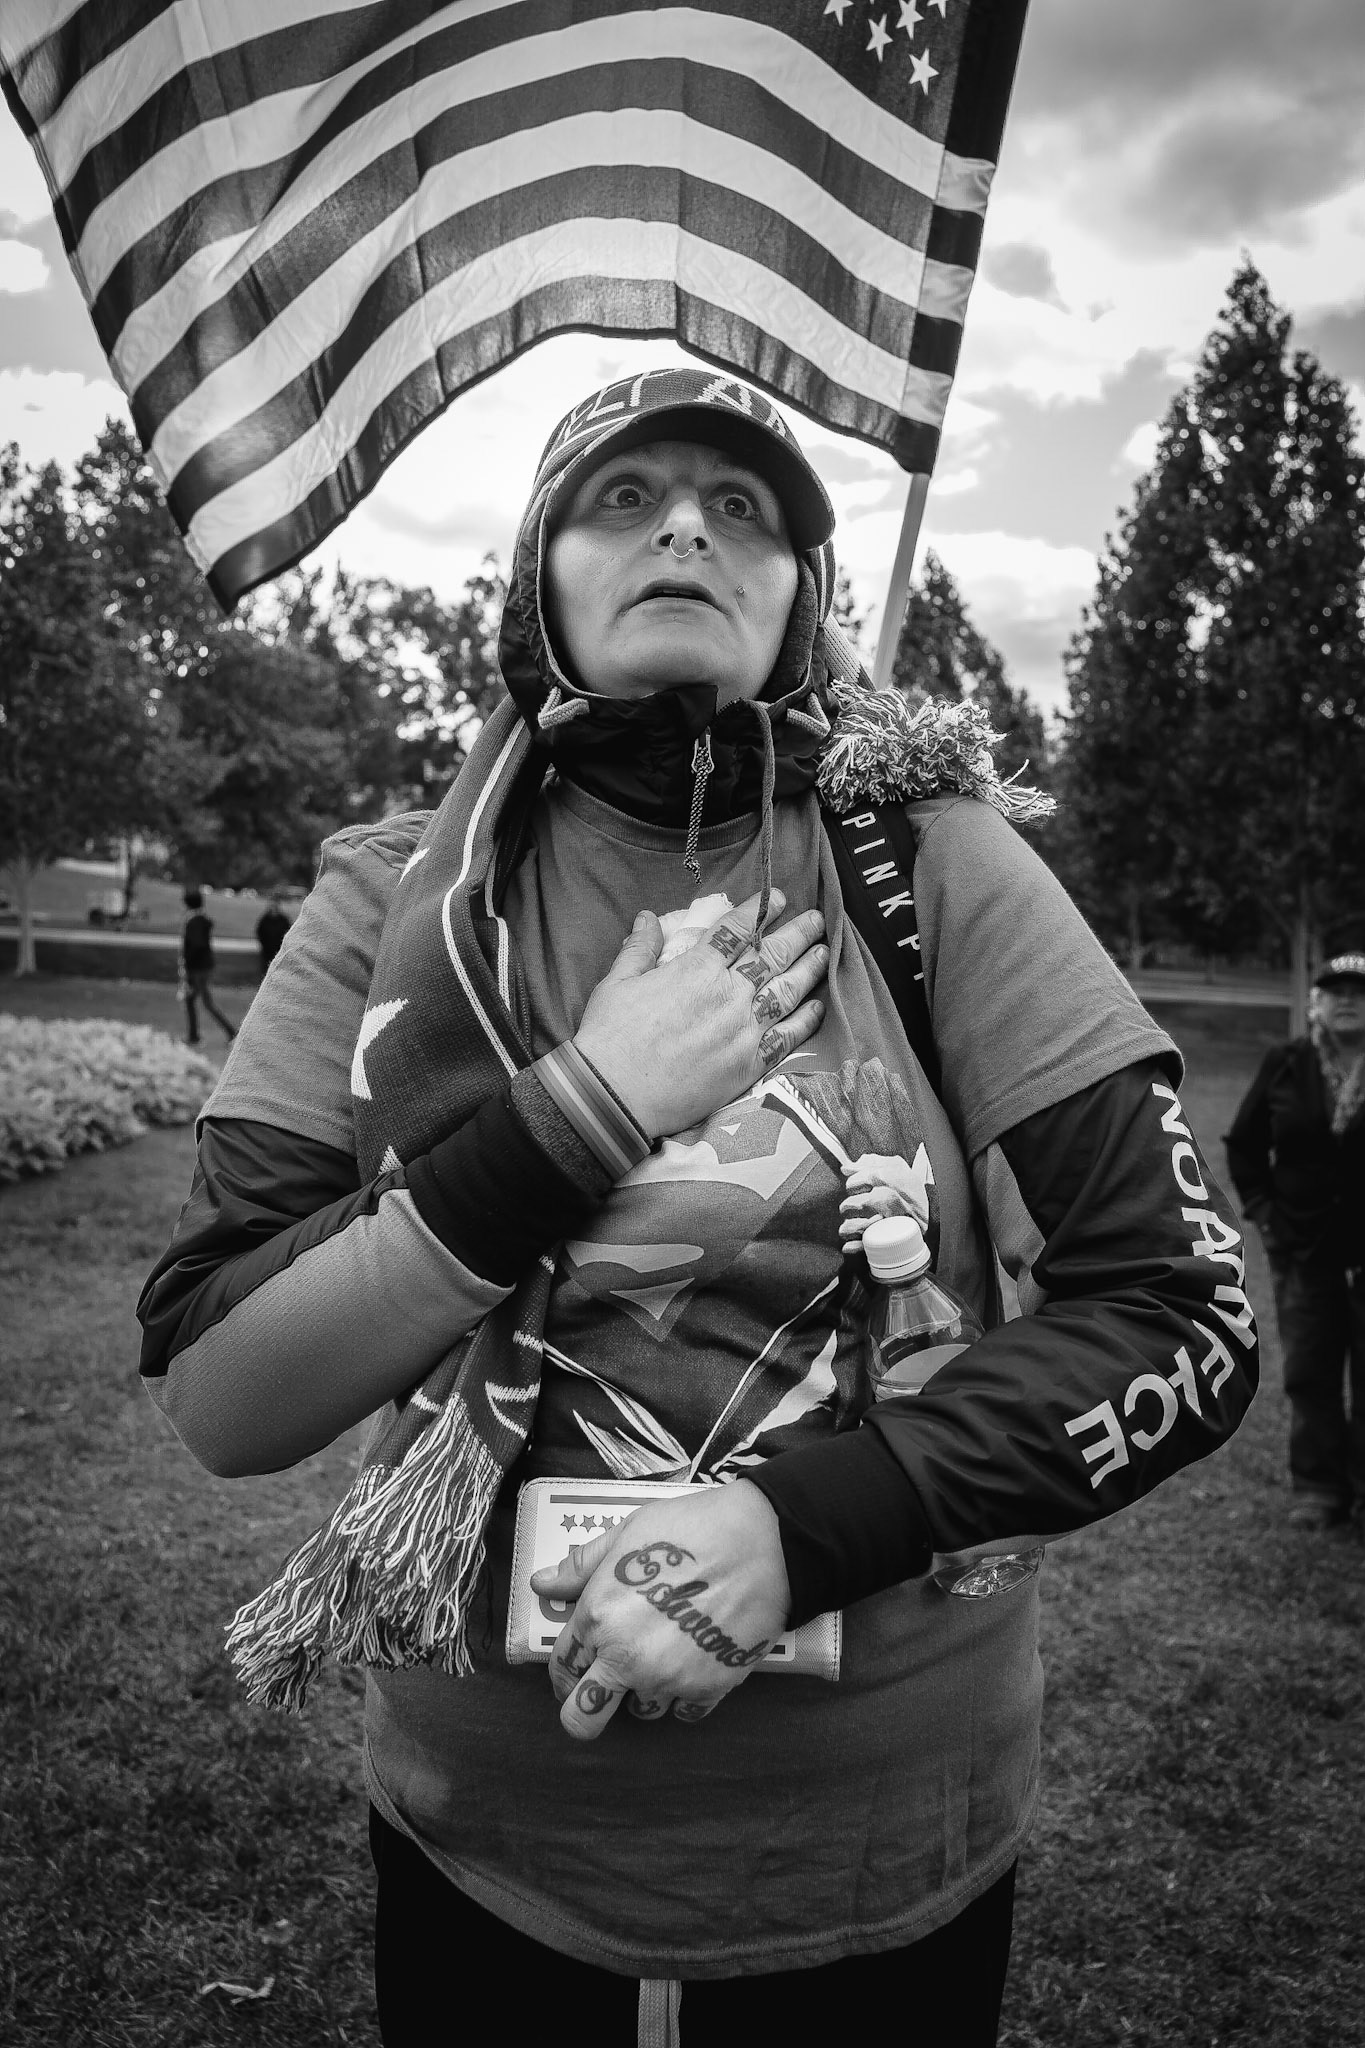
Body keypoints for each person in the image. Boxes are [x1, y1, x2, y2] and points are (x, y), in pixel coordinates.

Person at [138, 369, 1258, 2047]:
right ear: (538, 582)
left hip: (885, 1832)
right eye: (624, 494)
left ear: (803, 593)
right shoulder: (390, 897)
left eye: (746, 509)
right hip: (483, 1832)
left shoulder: (935, 860)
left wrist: (797, 1528)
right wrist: (586, 1106)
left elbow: (1183, 1314)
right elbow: (227, 1393)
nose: (686, 526)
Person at [1225, 954, 1365, 1535]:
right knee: (1310, 1371)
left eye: (1359, 990)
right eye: (1334, 991)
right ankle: (1320, 1488)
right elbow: (1245, 1145)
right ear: (1315, 1003)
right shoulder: (1287, 1063)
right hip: (1304, 1252)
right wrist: (1265, 1215)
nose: (1348, 1000)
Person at [179, 888, 235, 1046]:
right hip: (202, 967)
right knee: (191, 1000)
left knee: (207, 1002)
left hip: (198, 969)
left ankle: (231, 1032)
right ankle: (193, 1035)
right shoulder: (201, 919)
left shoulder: (194, 921)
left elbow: (196, 946)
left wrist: (187, 967)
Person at [255, 897, 291, 977]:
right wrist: (264, 944)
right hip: (267, 950)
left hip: (279, 949)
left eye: (275, 905)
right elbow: (260, 932)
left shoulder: (284, 920)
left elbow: (288, 932)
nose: (273, 907)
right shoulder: (264, 920)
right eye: (271, 905)